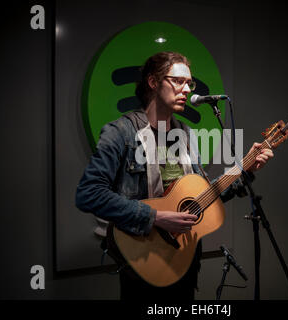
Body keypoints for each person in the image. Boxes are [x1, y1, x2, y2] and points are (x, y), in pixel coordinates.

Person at [75, 51, 274, 301]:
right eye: (178, 81)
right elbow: (89, 194)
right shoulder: (120, 133)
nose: (187, 90)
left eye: (189, 83)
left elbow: (199, 199)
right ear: (153, 82)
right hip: (143, 263)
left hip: (185, 261)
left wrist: (244, 168)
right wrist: (156, 217)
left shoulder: (186, 135)